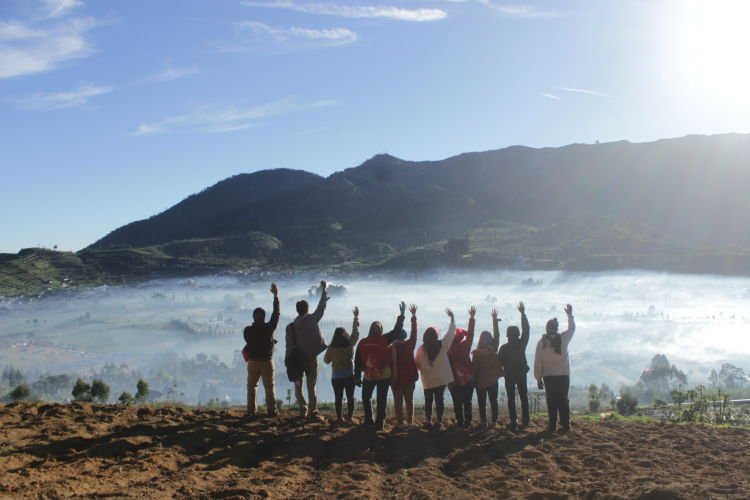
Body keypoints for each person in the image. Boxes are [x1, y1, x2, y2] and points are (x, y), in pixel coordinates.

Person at [354, 302, 406, 430]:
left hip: (369, 375)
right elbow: (396, 331)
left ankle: (368, 420)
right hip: (384, 375)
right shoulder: (384, 339)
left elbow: (357, 361)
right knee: (381, 399)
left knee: (366, 397)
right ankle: (379, 423)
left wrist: (357, 376)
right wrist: (402, 315)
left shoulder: (362, 342)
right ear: (381, 330)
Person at [286, 280, 329, 419]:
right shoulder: (312, 319)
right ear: (307, 309)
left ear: (297, 310)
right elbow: (321, 308)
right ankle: (313, 411)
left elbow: (289, 346)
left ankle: (303, 408)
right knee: (312, 386)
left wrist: (288, 360)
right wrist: (324, 290)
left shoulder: (291, 327)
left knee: (298, 386)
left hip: (297, 360)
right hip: (311, 358)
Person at [534, 304, 575, 433]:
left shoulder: (541, 344)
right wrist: (569, 315)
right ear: (556, 329)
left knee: (551, 401)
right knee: (563, 400)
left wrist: (538, 378)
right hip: (563, 375)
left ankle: (552, 426)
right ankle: (565, 425)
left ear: (547, 329)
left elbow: (538, 363)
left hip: (548, 377)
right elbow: (572, 328)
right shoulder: (563, 338)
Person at [415, 308, 457, 429]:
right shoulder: (442, 345)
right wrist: (452, 318)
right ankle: (438, 420)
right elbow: (451, 334)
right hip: (440, 380)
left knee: (428, 401)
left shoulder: (421, 349)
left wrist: (425, 369)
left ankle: (428, 420)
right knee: (440, 400)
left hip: (427, 381)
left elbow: (417, 364)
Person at [243, 283, 280, 417]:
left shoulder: (247, 331)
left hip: (252, 362)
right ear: (264, 317)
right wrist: (276, 297)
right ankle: (272, 411)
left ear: (253, 317)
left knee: (252, 387)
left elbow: (249, 341)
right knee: (269, 387)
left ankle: (251, 411)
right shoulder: (269, 328)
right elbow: (276, 315)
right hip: (267, 362)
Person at [323, 307, 360, 424]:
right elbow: (355, 332)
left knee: (338, 398)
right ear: (345, 335)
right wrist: (355, 317)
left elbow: (326, 361)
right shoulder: (350, 344)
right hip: (349, 375)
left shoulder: (331, 348)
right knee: (350, 398)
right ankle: (350, 417)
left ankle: (339, 417)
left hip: (336, 377)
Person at [499, 301, 531, 430]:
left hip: (510, 376)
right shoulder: (521, 343)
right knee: (524, 397)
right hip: (521, 374)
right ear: (517, 334)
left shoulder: (504, 348)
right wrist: (523, 314)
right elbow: (527, 329)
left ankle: (514, 421)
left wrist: (505, 370)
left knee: (511, 399)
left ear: (507, 336)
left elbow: (499, 362)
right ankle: (526, 421)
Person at [472, 308, 502, 428]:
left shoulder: (476, 353)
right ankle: (494, 421)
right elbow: (497, 335)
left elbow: (474, 369)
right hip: (493, 381)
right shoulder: (494, 348)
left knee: (482, 403)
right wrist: (494, 320)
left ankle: (483, 421)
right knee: (493, 402)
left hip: (480, 383)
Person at [390, 304, 419, 428]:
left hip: (396, 378)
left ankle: (400, 423)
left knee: (398, 401)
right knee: (409, 400)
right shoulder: (410, 344)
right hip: (410, 377)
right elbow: (414, 332)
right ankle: (410, 422)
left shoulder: (392, 347)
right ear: (405, 336)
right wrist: (413, 316)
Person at [448, 306, 476, 428]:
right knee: (468, 402)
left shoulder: (448, 350)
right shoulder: (465, 346)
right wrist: (472, 318)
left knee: (457, 403)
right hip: (468, 379)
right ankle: (468, 423)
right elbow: (471, 334)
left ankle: (459, 422)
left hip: (454, 381)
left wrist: (452, 319)